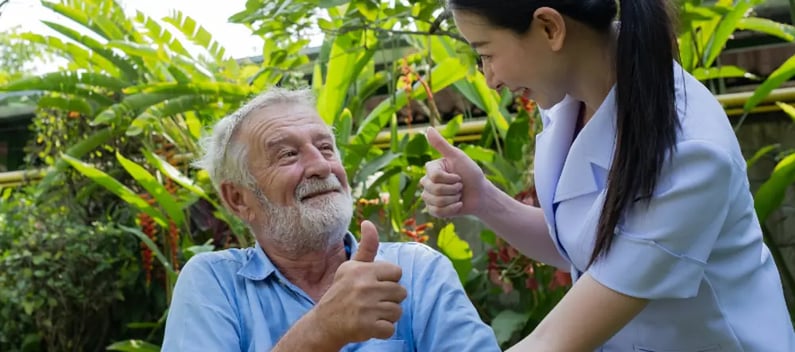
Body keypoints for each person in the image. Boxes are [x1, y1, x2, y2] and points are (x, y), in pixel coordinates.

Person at [421, 0, 795, 351]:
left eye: (487, 54)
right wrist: (484, 199)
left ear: (550, 28)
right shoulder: (572, 102)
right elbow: (586, 248)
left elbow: (553, 341)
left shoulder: (691, 152)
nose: (489, 79)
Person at [161, 88, 500, 351]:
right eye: (288, 154)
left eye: (325, 148)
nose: (322, 167)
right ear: (239, 199)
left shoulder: (417, 271)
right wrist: (322, 329)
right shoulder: (214, 283)